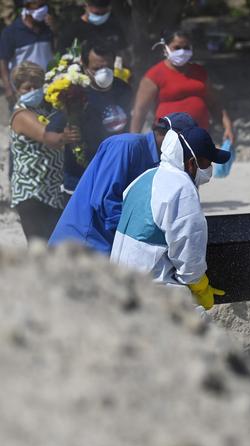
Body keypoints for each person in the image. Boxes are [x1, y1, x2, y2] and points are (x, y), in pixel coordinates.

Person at [48, 112, 221, 254]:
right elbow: (105, 203)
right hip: (82, 244)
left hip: (110, 249)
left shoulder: (164, 163)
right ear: (172, 138)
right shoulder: (125, 146)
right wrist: (146, 237)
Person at [110, 127, 225, 311]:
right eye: (206, 163)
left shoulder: (144, 178)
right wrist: (200, 286)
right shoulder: (181, 189)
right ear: (190, 163)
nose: (209, 170)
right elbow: (188, 250)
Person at [46, 39, 132, 194]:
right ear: (84, 67)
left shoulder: (123, 89)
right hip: (79, 181)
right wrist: (63, 137)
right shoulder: (73, 94)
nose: (104, 72)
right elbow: (49, 135)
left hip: (116, 177)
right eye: (97, 68)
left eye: (108, 67)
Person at [9, 61, 79, 241]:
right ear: (17, 90)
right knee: (39, 246)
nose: (33, 91)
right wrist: (64, 136)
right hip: (32, 192)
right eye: (27, 88)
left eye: (36, 86)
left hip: (53, 190)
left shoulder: (44, 109)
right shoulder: (21, 115)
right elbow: (47, 137)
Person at [130, 29, 234, 142]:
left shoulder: (200, 72)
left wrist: (228, 127)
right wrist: (133, 140)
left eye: (186, 48)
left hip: (198, 139)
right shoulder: (154, 75)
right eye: (177, 48)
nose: (182, 51)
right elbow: (140, 110)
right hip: (167, 141)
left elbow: (214, 103)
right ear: (165, 48)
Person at [0, 0, 54, 105]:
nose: (43, 10)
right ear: (27, 7)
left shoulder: (48, 28)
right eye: (38, 6)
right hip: (25, 89)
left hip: (47, 86)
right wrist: (8, 87)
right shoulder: (11, 32)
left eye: (44, 5)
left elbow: (54, 51)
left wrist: (55, 28)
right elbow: (3, 61)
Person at [57, 0, 127, 58]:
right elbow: (62, 55)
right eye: (96, 13)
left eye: (104, 13)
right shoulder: (71, 31)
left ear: (109, 8)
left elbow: (123, 50)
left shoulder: (114, 26)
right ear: (86, 6)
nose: (100, 17)